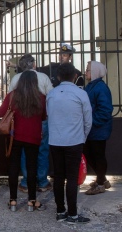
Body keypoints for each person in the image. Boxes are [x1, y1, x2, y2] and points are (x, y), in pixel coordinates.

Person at [47, 63, 92, 224]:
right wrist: (83, 137)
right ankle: (73, 214)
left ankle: (60, 211)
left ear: (58, 77)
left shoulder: (51, 94)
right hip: (74, 140)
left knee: (58, 176)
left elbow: (49, 116)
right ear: (74, 76)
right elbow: (88, 120)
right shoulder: (80, 94)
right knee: (72, 178)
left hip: (55, 140)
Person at [0, 70, 48, 212]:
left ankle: (13, 201)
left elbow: (1, 112)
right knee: (32, 167)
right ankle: (32, 201)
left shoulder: (12, 95)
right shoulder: (41, 97)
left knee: (13, 168)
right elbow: (44, 116)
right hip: (33, 137)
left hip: (15, 137)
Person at [9, 54, 53, 193]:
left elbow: (11, 99)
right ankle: (42, 181)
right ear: (33, 64)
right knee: (42, 150)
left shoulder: (16, 78)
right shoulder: (44, 77)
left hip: (21, 119)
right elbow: (50, 97)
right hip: (41, 119)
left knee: (24, 151)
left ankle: (26, 181)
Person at [83, 61, 114, 195]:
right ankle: (102, 179)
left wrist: (91, 121)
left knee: (98, 155)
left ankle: (101, 183)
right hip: (91, 128)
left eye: (88, 70)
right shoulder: (91, 86)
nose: (86, 72)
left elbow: (105, 110)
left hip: (97, 128)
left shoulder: (100, 88)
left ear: (95, 72)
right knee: (90, 154)